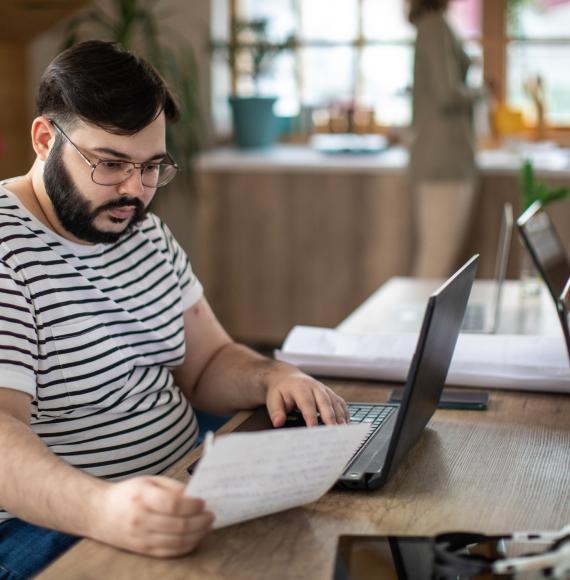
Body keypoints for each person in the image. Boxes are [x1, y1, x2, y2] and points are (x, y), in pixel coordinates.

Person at [0, 40, 349, 577]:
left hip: (186, 487)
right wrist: (104, 509)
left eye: (151, 168)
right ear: (46, 139)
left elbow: (207, 363)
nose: (133, 192)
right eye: (111, 164)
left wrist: (271, 376)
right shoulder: (7, 249)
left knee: (324, 542)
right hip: (52, 522)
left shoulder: (143, 234)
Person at [408, 0, 487, 278]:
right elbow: (447, 94)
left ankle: (427, 321)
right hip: (444, 161)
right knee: (436, 259)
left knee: (439, 258)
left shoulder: (434, 25)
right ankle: (422, 322)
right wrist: (483, 91)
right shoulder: (435, 27)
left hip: (443, 159)